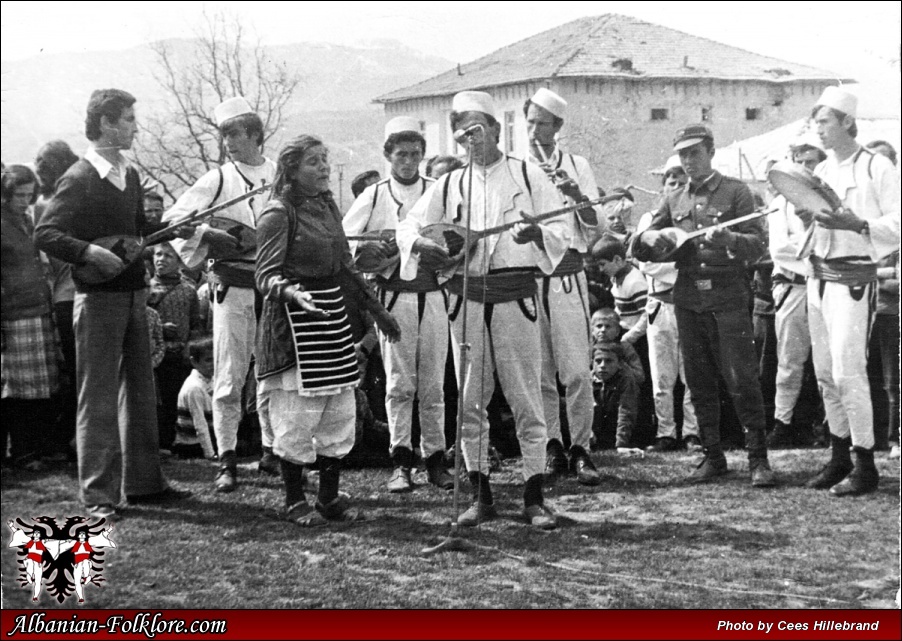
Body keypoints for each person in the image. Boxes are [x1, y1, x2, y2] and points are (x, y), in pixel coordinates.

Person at [396, 91, 569, 530]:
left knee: (526, 397)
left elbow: (560, 227)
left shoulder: (529, 176)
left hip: (516, 299)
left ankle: (533, 497)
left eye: (476, 129)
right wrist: (421, 243)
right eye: (461, 133)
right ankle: (481, 494)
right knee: (471, 400)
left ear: (495, 128)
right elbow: (409, 223)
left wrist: (536, 235)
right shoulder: (450, 183)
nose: (469, 139)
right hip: (466, 299)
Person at [34, 89, 191, 519]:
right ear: (105, 122)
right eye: (127, 119)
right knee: (98, 395)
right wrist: (87, 252)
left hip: (134, 293)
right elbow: (45, 233)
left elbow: (136, 229)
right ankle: (99, 496)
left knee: (141, 390)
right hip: (97, 300)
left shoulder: (131, 175)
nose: (135, 127)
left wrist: (174, 226)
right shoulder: (79, 176)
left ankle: (144, 484)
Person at [255, 134, 401, 527]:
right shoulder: (277, 213)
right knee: (298, 416)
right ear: (292, 170)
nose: (323, 168)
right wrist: (292, 293)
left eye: (325, 159)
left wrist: (375, 309)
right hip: (294, 324)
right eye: (313, 162)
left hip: (333, 315)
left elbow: (346, 266)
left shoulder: (328, 206)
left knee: (338, 410)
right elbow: (265, 277)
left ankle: (329, 498)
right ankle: (293, 501)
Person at [632, 124, 776, 487]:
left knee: (742, 378)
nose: (688, 161)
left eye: (694, 152)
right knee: (698, 380)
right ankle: (713, 456)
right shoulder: (673, 198)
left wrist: (730, 238)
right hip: (688, 298)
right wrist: (650, 236)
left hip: (728, 295)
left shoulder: (736, 191)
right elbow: (642, 244)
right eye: (682, 154)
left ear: (711, 151)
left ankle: (758, 459)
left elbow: (759, 245)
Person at [163, 96, 277, 489]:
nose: (228, 141)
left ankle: (271, 452)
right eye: (224, 134)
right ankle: (227, 458)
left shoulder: (280, 176)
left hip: (273, 288)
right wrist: (204, 233)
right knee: (229, 375)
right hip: (233, 288)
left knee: (272, 373)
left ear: (255, 135)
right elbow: (175, 217)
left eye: (235, 133)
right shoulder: (218, 179)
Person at [799, 87, 900, 496]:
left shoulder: (877, 166)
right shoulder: (822, 172)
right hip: (817, 278)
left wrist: (858, 226)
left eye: (824, 121)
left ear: (846, 122)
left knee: (848, 372)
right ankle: (839, 455)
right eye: (816, 122)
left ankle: (864, 463)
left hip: (854, 280)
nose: (818, 130)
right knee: (824, 374)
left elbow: (897, 223)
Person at [343, 116, 452, 492]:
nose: (408, 161)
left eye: (415, 154)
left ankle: (435, 459)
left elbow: (456, 234)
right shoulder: (373, 195)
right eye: (401, 154)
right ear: (388, 155)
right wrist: (374, 248)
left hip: (435, 294)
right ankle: (401, 460)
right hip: (394, 296)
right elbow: (347, 240)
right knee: (399, 383)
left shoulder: (437, 189)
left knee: (434, 383)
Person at [523, 88, 601, 486]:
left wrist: (576, 194)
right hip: (530, 278)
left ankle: (582, 448)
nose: (535, 130)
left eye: (543, 123)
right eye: (530, 122)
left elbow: (596, 225)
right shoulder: (517, 166)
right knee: (540, 370)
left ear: (558, 127)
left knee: (576, 371)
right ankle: (552, 445)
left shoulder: (576, 164)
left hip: (568, 276)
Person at [765, 138, 827, 448]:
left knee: (828, 361)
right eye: (800, 162)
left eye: (812, 162)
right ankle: (783, 422)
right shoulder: (781, 203)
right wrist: (816, 259)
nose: (806, 168)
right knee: (790, 360)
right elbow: (780, 249)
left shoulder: (830, 202)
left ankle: (828, 426)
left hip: (827, 288)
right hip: (794, 285)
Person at [635, 156, 699, 452]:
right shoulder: (649, 221)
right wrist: (677, 266)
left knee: (691, 373)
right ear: (663, 186)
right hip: (659, 306)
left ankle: (692, 431)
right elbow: (645, 264)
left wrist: (679, 265)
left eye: (681, 180)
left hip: (687, 302)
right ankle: (665, 432)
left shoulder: (693, 219)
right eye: (670, 181)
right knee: (662, 375)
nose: (676, 185)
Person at [1, 165, 59, 468]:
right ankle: (22, 452)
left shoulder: (28, 220)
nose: (25, 200)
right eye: (18, 195)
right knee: (18, 390)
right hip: (13, 315)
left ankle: (39, 447)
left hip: (39, 310)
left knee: (41, 387)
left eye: (28, 194)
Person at [33, 141, 80, 461]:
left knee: (74, 373)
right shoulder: (60, 203)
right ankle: (72, 439)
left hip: (64, 296)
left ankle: (72, 439)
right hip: (71, 294)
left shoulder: (42, 206)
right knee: (77, 373)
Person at [147, 242, 204, 451]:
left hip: (180, 355)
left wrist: (190, 346)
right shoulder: (146, 289)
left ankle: (180, 440)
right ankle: (159, 442)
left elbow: (196, 324)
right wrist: (159, 328)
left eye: (168, 256)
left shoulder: (189, 291)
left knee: (177, 398)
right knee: (157, 401)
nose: (161, 259)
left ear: (180, 261)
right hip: (154, 355)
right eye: (158, 255)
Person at [591, 342, 639, 452]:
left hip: (616, 429)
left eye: (608, 361)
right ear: (592, 363)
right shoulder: (588, 380)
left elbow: (626, 412)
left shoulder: (626, 380)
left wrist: (621, 444)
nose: (602, 365)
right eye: (598, 361)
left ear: (620, 364)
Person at [174, 337, 217, 459]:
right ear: (194, 362)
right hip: (193, 444)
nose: (213, 364)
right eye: (208, 360)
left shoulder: (212, 379)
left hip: (209, 436)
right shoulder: (194, 388)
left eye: (216, 359)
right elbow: (200, 425)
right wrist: (210, 454)